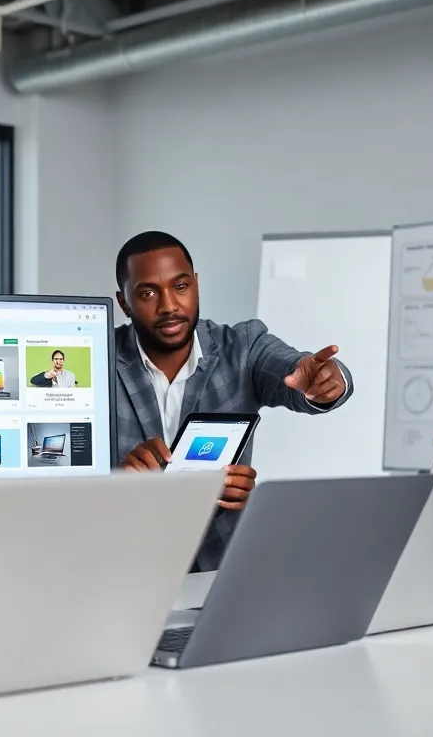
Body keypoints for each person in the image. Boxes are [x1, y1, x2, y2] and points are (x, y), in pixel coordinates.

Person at [112, 231, 353, 571]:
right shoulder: (97, 358)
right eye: (148, 292)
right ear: (124, 303)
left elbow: (293, 370)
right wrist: (113, 480)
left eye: (180, 286)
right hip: (123, 571)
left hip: (216, 575)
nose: (169, 305)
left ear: (195, 284)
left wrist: (326, 379)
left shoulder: (242, 347)